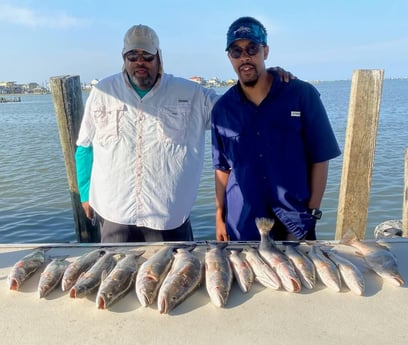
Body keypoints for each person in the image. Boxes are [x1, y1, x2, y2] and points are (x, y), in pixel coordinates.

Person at [76, 24, 292, 243]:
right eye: (133, 56)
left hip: (168, 219)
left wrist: (264, 77)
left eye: (147, 56)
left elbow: (235, 109)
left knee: (175, 276)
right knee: (115, 274)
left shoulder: (191, 93)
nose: (140, 62)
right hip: (113, 213)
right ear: (124, 58)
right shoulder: (102, 92)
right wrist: (85, 193)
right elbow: (84, 146)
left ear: (159, 57)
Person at [211, 17, 341, 242]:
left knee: (300, 278)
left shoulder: (301, 94)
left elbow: (320, 158)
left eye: (252, 48)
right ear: (229, 57)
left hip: (296, 220)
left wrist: (312, 212)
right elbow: (222, 168)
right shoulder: (223, 108)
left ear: (266, 51)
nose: (245, 57)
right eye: (236, 51)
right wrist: (219, 216)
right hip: (243, 223)